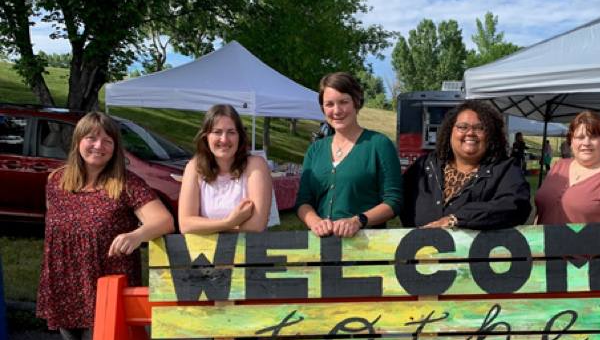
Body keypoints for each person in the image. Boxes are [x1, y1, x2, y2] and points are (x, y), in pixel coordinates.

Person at [37, 112, 174, 340]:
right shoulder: (56, 181)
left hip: (108, 289)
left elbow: (164, 221)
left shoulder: (127, 184)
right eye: (92, 138)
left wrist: (137, 233)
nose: (98, 146)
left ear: (115, 147)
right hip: (66, 284)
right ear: (78, 141)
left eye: (107, 141)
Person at [297, 71, 402, 237]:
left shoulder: (379, 145)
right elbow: (303, 202)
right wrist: (315, 222)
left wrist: (358, 221)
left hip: (366, 247)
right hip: (321, 249)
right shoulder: (315, 150)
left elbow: (394, 201)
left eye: (343, 102)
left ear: (356, 102)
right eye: (329, 104)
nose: (337, 110)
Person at [401, 99, 531, 229]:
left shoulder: (505, 169)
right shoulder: (426, 165)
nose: (470, 133)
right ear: (449, 131)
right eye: (462, 127)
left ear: (491, 135)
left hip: (478, 249)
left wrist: (456, 219)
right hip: (420, 246)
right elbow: (396, 199)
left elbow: (516, 205)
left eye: (480, 128)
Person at [178, 104, 277, 234]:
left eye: (231, 132)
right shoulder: (194, 167)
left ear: (239, 136)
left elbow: (256, 226)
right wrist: (230, 222)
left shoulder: (256, 165)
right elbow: (186, 225)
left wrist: (206, 227)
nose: (224, 139)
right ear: (206, 136)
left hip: (249, 251)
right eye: (217, 132)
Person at [535, 111, 600, 224]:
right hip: (543, 241)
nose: (586, 142)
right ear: (571, 141)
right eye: (580, 137)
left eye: (593, 137)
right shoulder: (559, 166)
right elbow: (542, 211)